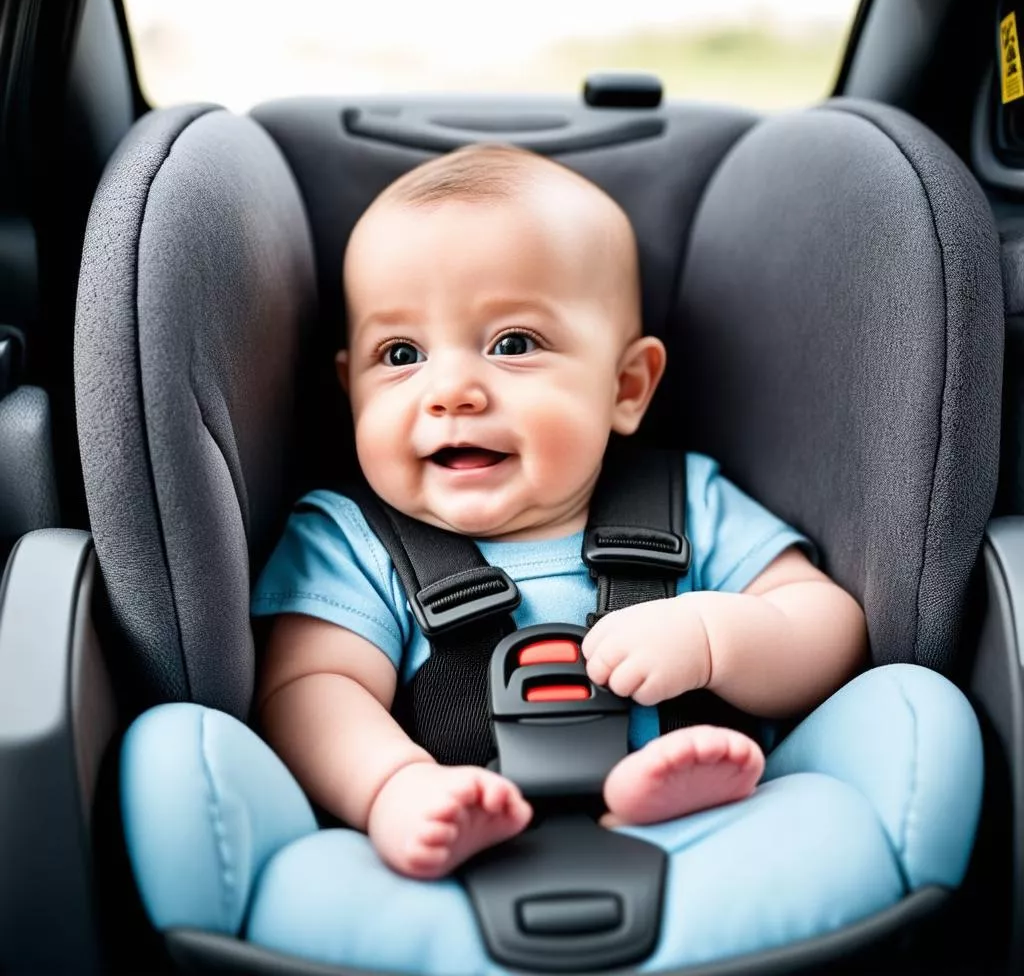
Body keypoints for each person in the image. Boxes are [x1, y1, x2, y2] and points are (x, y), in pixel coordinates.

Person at [251, 143, 868, 881]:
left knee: (911, 705)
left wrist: (712, 635)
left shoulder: (686, 502)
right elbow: (310, 692)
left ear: (627, 387)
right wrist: (393, 784)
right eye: (400, 353)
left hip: (709, 837)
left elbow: (827, 624)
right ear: (352, 390)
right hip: (461, 821)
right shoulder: (348, 540)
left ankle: (660, 790)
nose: (451, 390)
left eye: (513, 343)